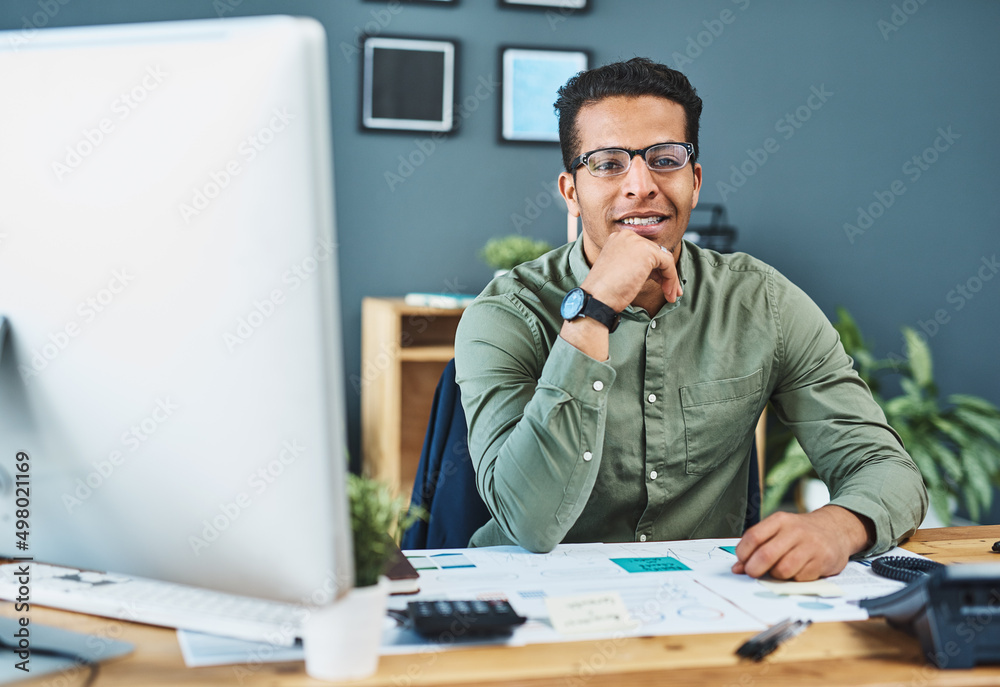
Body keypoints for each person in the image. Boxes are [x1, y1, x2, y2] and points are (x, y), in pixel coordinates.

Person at [453, 57, 927, 581]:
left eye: (665, 158)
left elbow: (888, 468)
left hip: (706, 601)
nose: (640, 185)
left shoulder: (762, 302)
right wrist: (593, 309)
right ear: (572, 191)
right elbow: (528, 522)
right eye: (609, 164)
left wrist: (837, 527)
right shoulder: (504, 314)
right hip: (535, 600)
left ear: (694, 181)